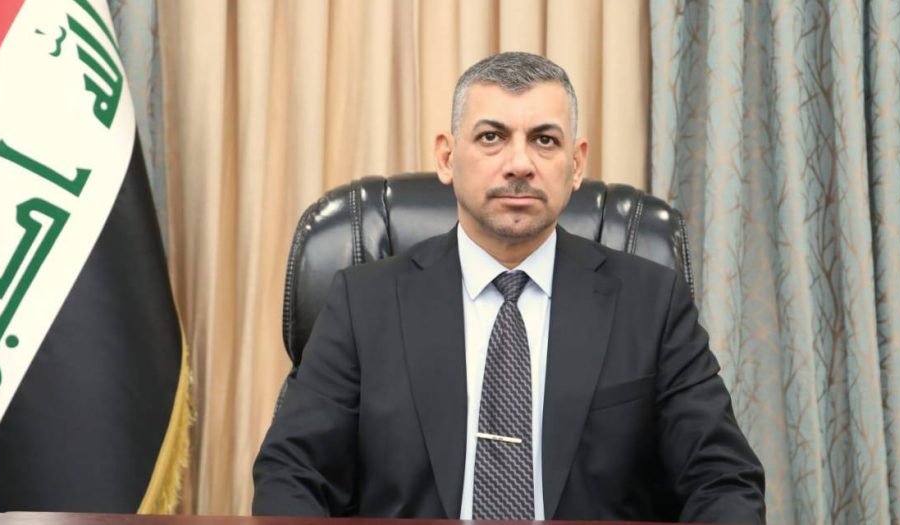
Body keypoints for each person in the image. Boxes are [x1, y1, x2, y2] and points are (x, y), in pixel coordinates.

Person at [253, 52, 765, 523]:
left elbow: (722, 480)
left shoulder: (651, 304)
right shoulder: (364, 303)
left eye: (544, 140)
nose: (519, 164)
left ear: (576, 164)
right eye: (491, 137)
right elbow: (292, 473)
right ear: (447, 157)